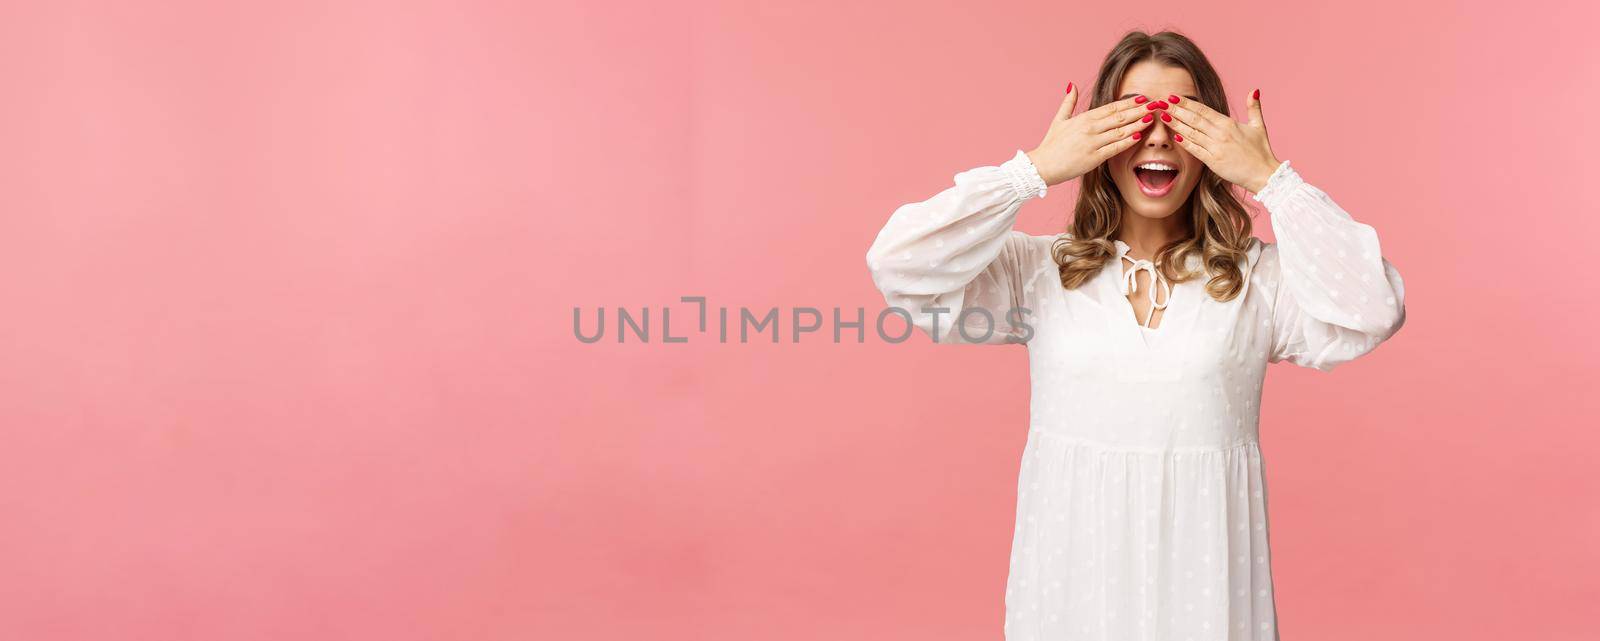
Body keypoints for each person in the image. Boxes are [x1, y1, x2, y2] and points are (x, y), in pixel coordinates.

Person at [864, 30, 1406, 640]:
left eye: (1182, 119)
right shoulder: (1038, 273)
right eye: (1134, 116)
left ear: (1213, 143)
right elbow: (900, 264)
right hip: (1070, 601)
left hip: (1207, 599)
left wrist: (1273, 181)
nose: (1156, 137)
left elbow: (1372, 308)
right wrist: (1032, 172)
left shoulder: (1258, 280)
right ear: (1098, 137)